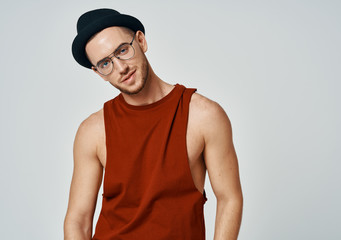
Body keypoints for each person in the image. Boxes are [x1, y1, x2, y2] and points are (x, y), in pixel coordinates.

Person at [64, 8, 243, 240]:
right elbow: (78, 220)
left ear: (140, 41)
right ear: (99, 73)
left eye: (122, 50)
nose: (121, 68)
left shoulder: (204, 115)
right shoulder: (93, 131)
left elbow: (230, 198)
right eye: (105, 63)